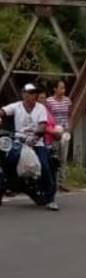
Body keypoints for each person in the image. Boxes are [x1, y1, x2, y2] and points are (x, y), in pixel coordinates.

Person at [0, 83, 58, 211]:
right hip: (19, 143)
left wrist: (37, 134)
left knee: (44, 166)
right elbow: (3, 111)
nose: (32, 95)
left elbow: (43, 125)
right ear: (23, 94)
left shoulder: (40, 108)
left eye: (34, 93)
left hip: (37, 143)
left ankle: (51, 199)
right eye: (29, 92)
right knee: (7, 163)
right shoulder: (16, 106)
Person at [45, 80, 72, 184]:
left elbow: (69, 114)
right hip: (54, 131)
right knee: (54, 156)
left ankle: (62, 181)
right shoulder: (49, 101)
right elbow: (47, 116)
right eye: (61, 88)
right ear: (55, 89)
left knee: (63, 157)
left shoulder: (67, 101)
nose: (63, 90)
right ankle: (53, 180)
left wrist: (69, 128)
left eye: (64, 88)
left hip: (64, 130)